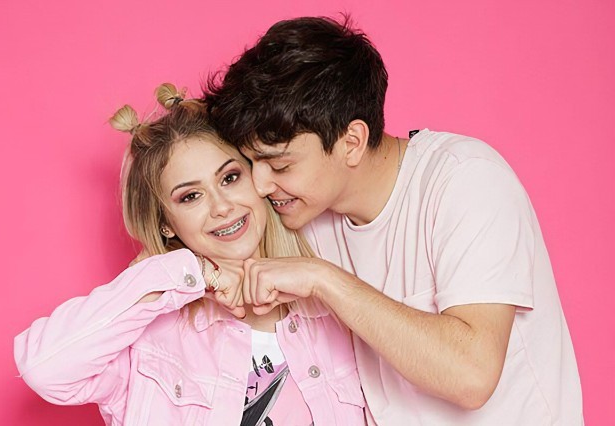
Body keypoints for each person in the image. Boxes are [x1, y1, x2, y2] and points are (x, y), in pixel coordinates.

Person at [204, 16, 583, 425]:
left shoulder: (466, 179)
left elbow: (472, 375)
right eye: (252, 163)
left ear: (352, 142)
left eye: (280, 165)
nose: (261, 184)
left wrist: (323, 278)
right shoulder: (304, 215)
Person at [14, 84, 366, 425]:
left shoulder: (333, 310)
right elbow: (44, 369)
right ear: (166, 224)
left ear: (258, 179)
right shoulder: (148, 339)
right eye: (190, 197)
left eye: (230, 178)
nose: (222, 206)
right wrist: (195, 272)